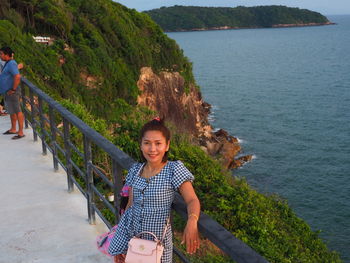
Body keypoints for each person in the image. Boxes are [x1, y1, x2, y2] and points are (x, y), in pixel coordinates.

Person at [108, 118, 201, 263]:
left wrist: (192, 221)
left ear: (167, 145)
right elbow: (130, 207)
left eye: (158, 143)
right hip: (133, 240)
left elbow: (192, 200)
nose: (152, 149)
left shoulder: (173, 169)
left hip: (157, 243)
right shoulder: (135, 169)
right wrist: (123, 244)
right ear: (141, 145)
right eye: (147, 143)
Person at [0, 46, 24, 139]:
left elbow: (17, 76)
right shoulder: (8, 63)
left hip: (12, 92)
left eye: (1, 54)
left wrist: (13, 89)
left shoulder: (11, 64)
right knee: (11, 111)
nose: (0, 56)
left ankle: (20, 132)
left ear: (7, 55)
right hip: (7, 91)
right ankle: (13, 129)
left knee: (17, 111)